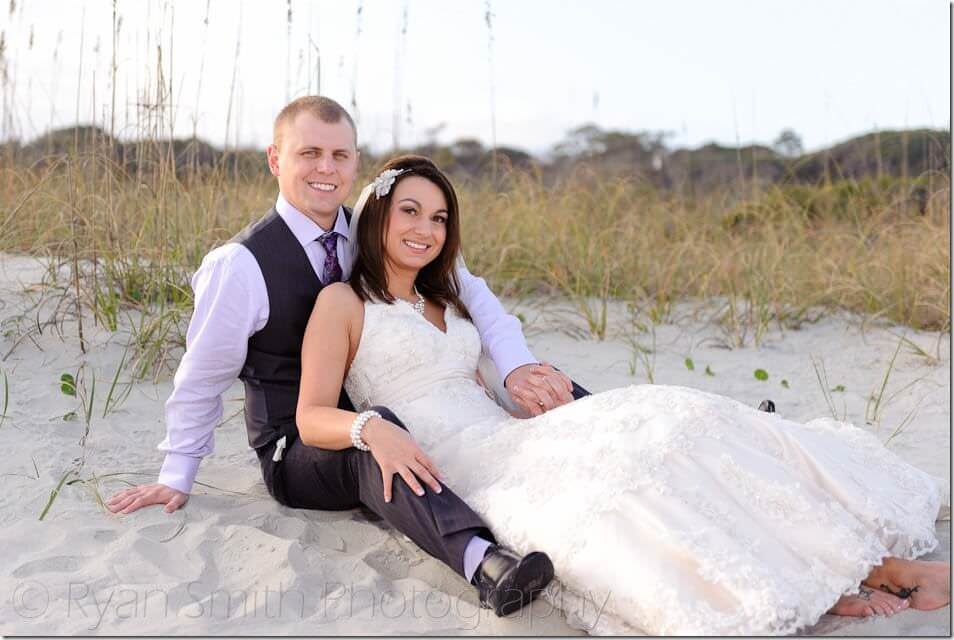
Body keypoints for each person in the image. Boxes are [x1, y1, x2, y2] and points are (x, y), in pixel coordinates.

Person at [297, 153, 950, 635]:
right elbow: (311, 416)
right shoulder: (342, 303)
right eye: (409, 211)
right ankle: (826, 584)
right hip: (457, 461)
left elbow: (490, 364)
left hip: (508, 431)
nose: (426, 228)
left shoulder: (451, 297)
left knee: (672, 419)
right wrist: (368, 430)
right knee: (625, 485)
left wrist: (519, 380)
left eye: (439, 217)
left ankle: (864, 563)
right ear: (378, 213)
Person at [106, 96, 591, 616]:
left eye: (340, 155)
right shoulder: (241, 265)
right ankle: (483, 563)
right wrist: (177, 474)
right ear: (276, 159)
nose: (326, 168)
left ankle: (612, 442)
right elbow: (202, 377)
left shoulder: (380, 227)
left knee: (533, 388)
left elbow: (473, 296)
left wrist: (516, 367)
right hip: (298, 446)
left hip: (399, 412)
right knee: (374, 433)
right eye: (309, 152)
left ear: (356, 163)